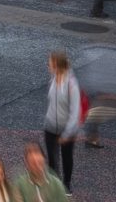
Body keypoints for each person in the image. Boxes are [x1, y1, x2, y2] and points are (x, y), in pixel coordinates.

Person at [42, 51, 81, 195]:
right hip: (51, 126)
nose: (48, 65)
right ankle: (54, 186)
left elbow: (75, 111)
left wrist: (67, 133)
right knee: (52, 158)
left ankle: (66, 185)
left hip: (67, 129)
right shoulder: (53, 79)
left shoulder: (72, 84)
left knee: (66, 157)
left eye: (50, 63)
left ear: (57, 64)